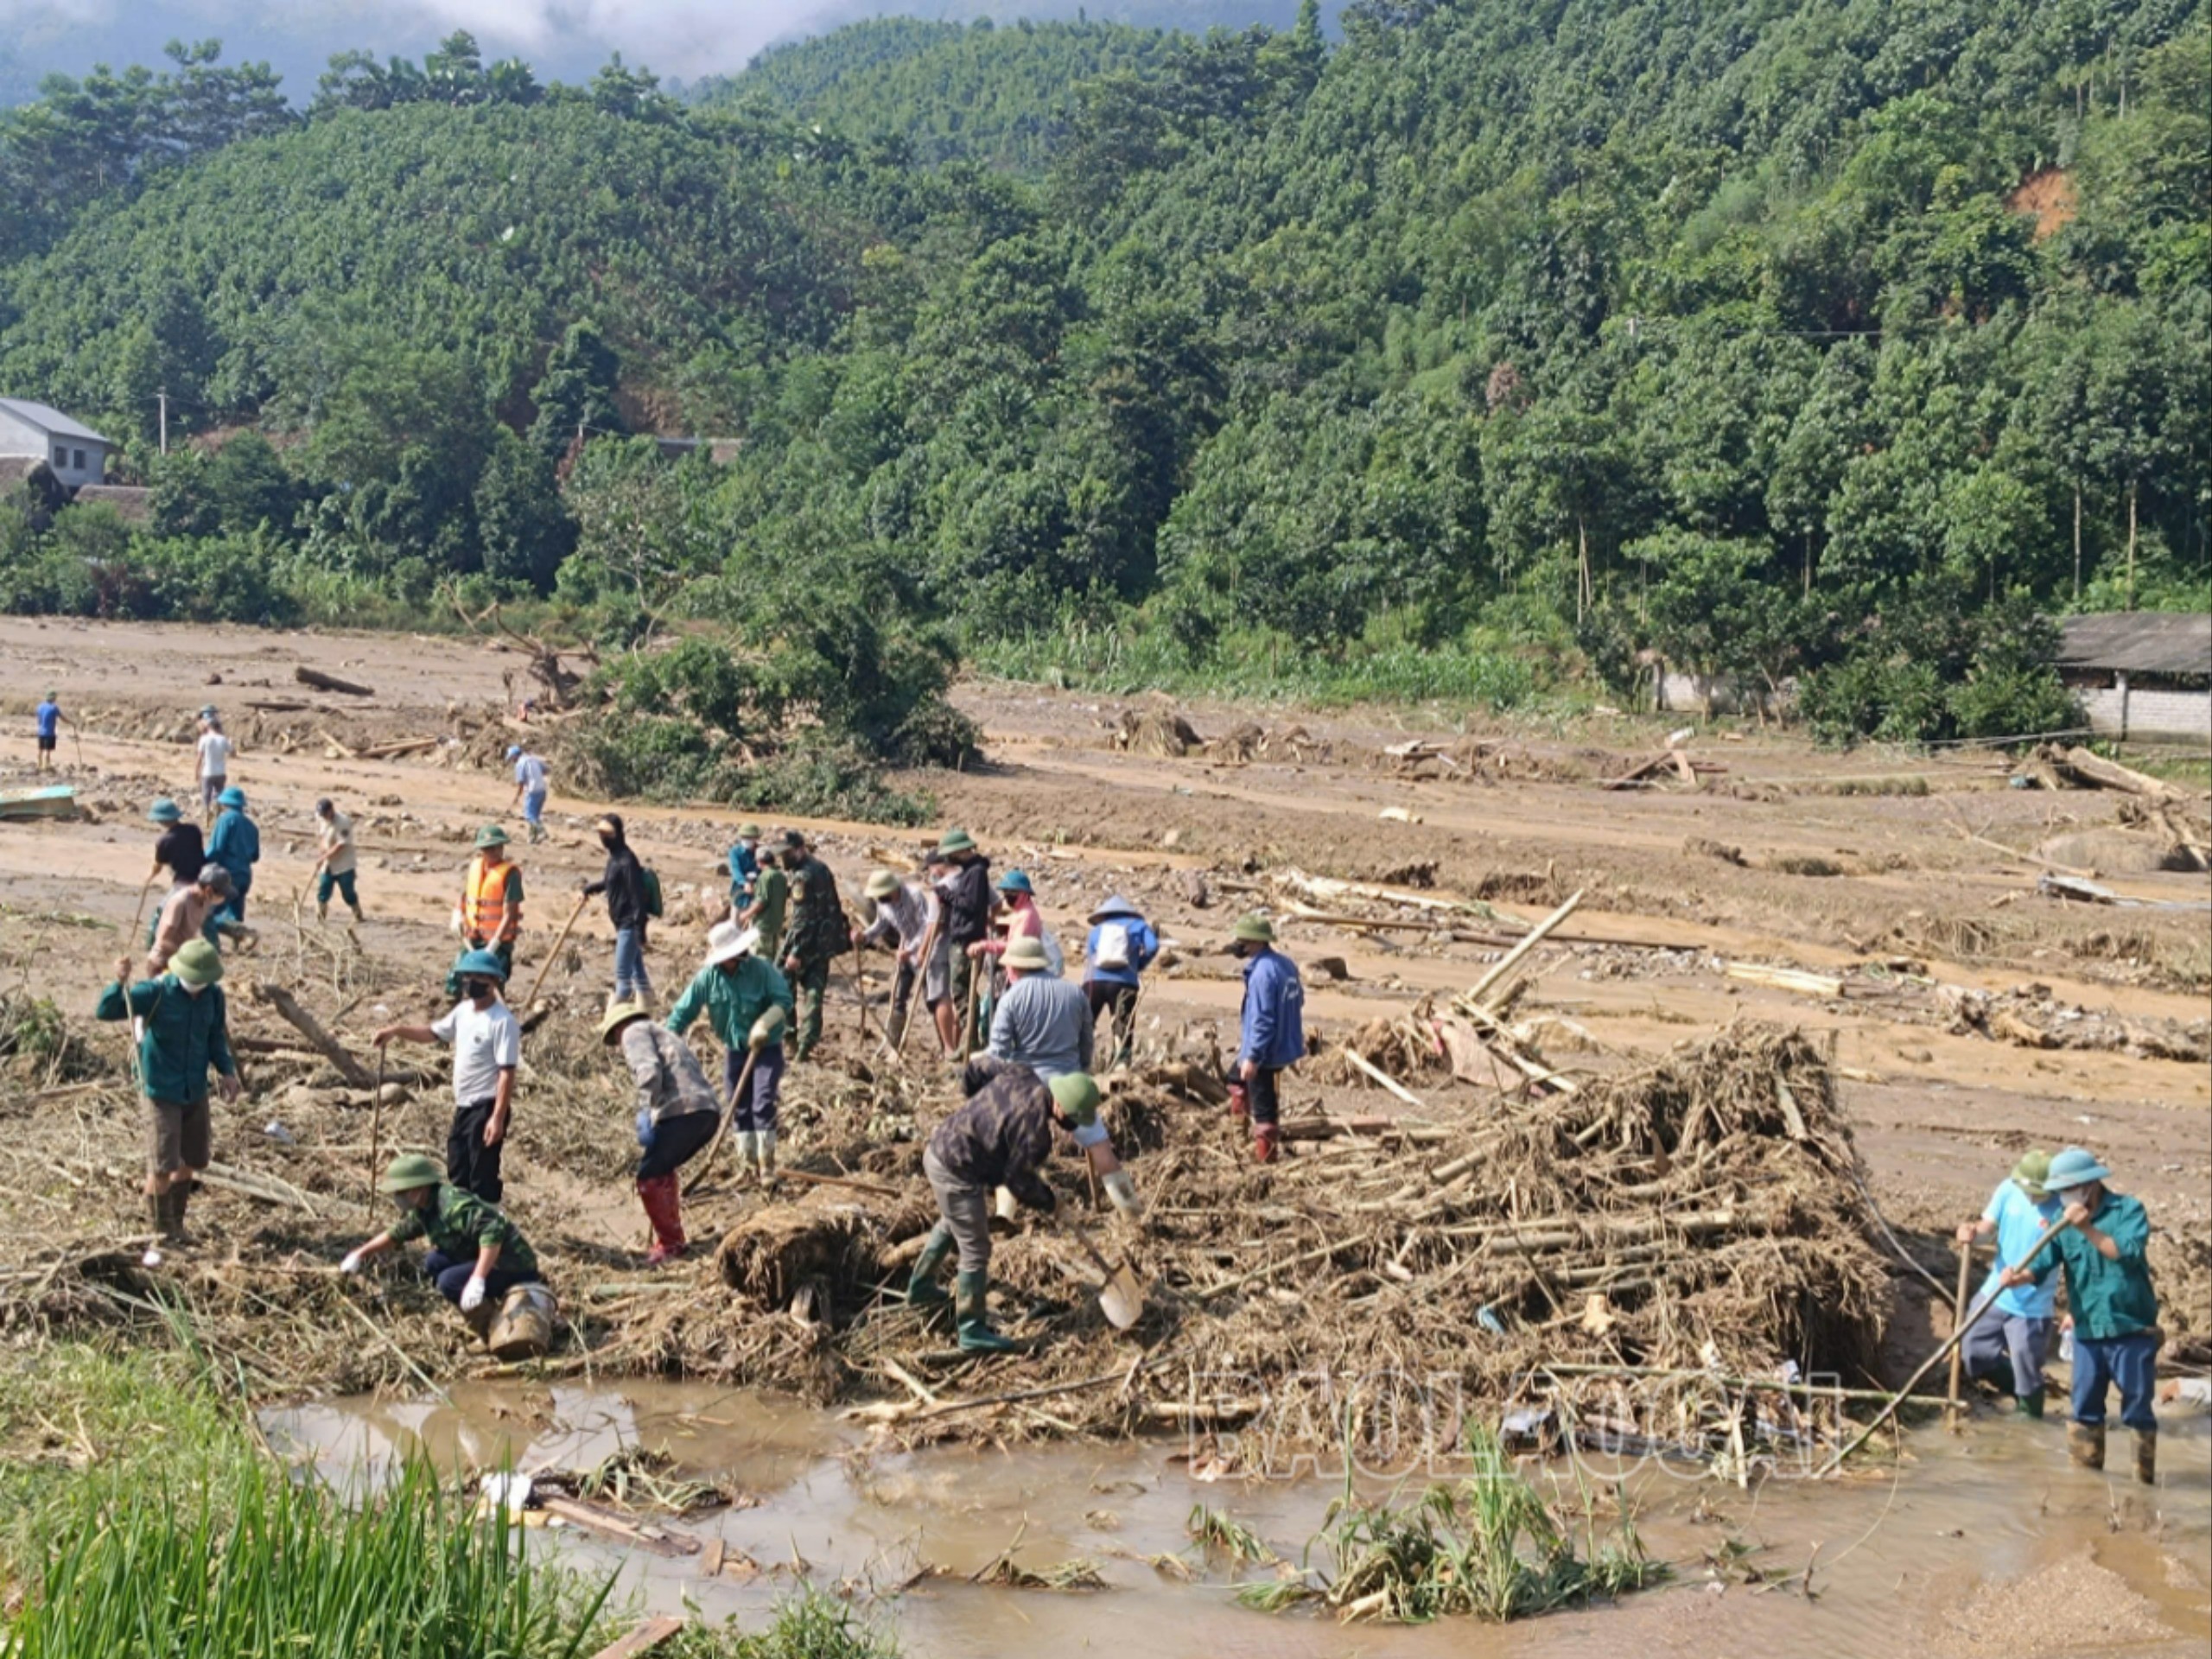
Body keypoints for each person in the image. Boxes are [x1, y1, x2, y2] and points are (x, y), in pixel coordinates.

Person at [908, 1061, 1101, 1351]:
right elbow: (1017, 1180)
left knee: (953, 1222)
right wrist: (1051, 1202)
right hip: (957, 1168)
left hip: (941, 1146)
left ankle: (920, 1289)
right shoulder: (1036, 1133)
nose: (1071, 1127)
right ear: (1060, 1106)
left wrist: (976, 1113)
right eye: (1073, 1119)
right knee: (976, 1248)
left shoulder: (1021, 1073)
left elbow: (973, 1072)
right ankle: (971, 1330)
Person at [2000, 1146, 2162, 1484]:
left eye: (2066, 1189)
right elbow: (2043, 1264)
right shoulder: (2063, 1224)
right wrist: (2019, 1276)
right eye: (2058, 1191)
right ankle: (2085, 1487)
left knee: (2137, 1409)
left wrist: (2088, 1227)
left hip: (2131, 1327)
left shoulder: (2128, 1210)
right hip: (2089, 1331)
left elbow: (2126, 1253)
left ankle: (2142, 1484)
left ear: (2089, 1186)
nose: (2061, 1197)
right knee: (2084, 1408)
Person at [96, 938, 238, 1248]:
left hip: (194, 1089)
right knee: (162, 1165)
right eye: (193, 981)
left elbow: (215, 1037)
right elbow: (106, 1011)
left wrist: (227, 1072)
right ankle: (160, 1233)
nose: (197, 986)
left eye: (203, 982)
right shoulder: (156, 991)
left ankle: (176, 1226)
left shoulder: (213, 997)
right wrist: (118, 981)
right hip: (160, 1089)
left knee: (192, 1159)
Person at [374, 949, 521, 1205]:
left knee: (482, 1176)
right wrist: (396, 1031)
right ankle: (465, 1225)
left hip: (485, 1106)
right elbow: (432, 1033)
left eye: (478, 977)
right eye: (467, 976)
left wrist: (497, 1117)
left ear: (494, 982)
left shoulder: (502, 1021)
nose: (470, 983)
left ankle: (490, 1230)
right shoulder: (463, 1011)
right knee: (458, 1170)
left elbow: (506, 1073)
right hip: (463, 1105)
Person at [341, 1154, 543, 1337]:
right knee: (433, 1262)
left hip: (512, 1264)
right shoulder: (424, 1208)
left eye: (402, 1192)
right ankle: (485, 1309)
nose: (398, 1198)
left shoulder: (451, 1205)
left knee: (449, 1282)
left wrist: (477, 1279)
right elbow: (397, 1234)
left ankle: (492, 1329)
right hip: (481, 1255)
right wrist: (360, 1254)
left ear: (420, 1188)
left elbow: (492, 1232)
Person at [667, 921, 792, 1182]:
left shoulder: (761, 970)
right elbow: (683, 1011)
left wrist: (764, 1023)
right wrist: (667, 1039)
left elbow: (784, 999)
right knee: (738, 1103)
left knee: (762, 1101)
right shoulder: (708, 978)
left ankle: (766, 1164)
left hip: (766, 1048)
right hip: (736, 1049)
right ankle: (747, 1163)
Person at [601, 1001, 721, 1262]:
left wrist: (645, 1109)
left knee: (649, 1175)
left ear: (618, 1028)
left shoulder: (633, 1032)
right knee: (661, 1168)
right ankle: (671, 1238)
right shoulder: (661, 1032)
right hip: (705, 1110)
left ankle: (671, 1243)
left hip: (682, 1110)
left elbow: (649, 1071)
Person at [1955, 1150, 2062, 1417]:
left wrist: (2023, 1278)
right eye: (2027, 1190)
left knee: (2027, 1365)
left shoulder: (2062, 1209)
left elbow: (2057, 1258)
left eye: (2037, 1192)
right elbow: (1987, 1228)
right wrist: (1971, 1234)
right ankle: (2017, 1388)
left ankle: (2031, 1416)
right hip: (1995, 1291)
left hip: (2032, 1305)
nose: (2031, 1197)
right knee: (1972, 1351)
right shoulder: (2007, 1190)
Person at [1230, 913, 1305, 1164]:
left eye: (1242, 939)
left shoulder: (1262, 973)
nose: (1238, 944)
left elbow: (1263, 1020)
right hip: (1287, 1043)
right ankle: (1239, 1137)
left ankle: (1266, 1164)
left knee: (1264, 1109)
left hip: (1267, 1051)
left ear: (1255, 941)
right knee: (1234, 1079)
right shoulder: (1286, 964)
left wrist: (1253, 1057)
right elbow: (1299, 1001)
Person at [777, 830, 847, 1063]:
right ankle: (806, 1046)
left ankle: (791, 1041)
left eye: (786, 853)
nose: (782, 858)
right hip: (823, 943)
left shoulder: (802, 877)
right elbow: (833, 906)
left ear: (799, 850)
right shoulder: (821, 868)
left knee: (784, 987)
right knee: (814, 994)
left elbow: (802, 918)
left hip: (805, 945)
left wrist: (795, 951)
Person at [986, 935, 1093, 1081]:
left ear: (1014, 967)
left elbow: (998, 1051)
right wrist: (1084, 1068)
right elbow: (1086, 1041)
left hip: (1026, 1082)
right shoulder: (1075, 992)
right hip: (1068, 1079)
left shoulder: (1011, 998)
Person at [855, 869, 942, 1048]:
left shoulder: (915, 896)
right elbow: (881, 924)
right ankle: (893, 1042)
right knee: (898, 999)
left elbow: (926, 927)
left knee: (932, 999)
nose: (879, 898)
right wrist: (864, 937)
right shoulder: (883, 905)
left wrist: (911, 950)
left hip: (925, 953)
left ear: (892, 889)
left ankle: (944, 1044)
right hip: (905, 955)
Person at [582, 812, 652, 1007]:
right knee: (638, 974)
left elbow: (636, 896)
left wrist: (640, 929)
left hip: (629, 925)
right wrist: (591, 889)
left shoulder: (627, 860)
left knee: (623, 981)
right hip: (622, 923)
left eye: (608, 834)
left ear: (618, 834)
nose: (604, 839)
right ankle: (646, 1011)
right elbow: (609, 883)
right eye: (601, 834)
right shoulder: (615, 859)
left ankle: (610, 1022)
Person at [1083, 895, 1158, 1071]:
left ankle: (1081, 1064)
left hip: (1094, 982)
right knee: (1122, 1029)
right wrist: (1140, 964)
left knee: (1085, 1025)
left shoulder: (1097, 930)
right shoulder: (1137, 926)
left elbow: (1091, 955)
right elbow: (1153, 946)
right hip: (1124, 982)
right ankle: (1120, 1067)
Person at [935, 829, 994, 1052]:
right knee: (960, 989)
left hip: (968, 938)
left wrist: (945, 894)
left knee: (961, 990)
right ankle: (970, 1038)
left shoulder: (977, 872)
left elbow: (971, 904)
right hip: (962, 935)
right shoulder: (970, 871)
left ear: (960, 852)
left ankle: (971, 1039)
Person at [452, 824, 524, 995]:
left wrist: (495, 943)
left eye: (498, 847)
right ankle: (455, 1013)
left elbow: (510, 913)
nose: (494, 852)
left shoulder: (510, 874)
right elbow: (465, 895)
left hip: (497, 942)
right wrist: (456, 914)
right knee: (456, 979)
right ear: (481, 850)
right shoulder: (475, 868)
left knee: (491, 983)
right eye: (489, 848)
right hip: (472, 938)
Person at [147, 866, 230, 976]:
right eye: (220, 894)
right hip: (163, 963)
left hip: (183, 963)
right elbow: (164, 941)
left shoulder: (205, 901)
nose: (222, 898)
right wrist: (189, 954)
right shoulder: (180, 902)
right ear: (208, 890)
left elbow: (194, 929)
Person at [205, 785, 260, 945]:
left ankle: (240, 936)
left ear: (224, 804)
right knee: (236, 912)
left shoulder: (225, 820)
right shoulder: (252, 827)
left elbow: (216, 849)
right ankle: (241, 945)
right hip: (245, 875)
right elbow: (255, 856)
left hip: (226, 876)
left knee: (207, 915)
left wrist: (200, 864)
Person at [311, 798, 365, 925]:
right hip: (328, 865)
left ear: (331, 810)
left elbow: (340, 845)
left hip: (344, 865)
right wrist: (321, 852)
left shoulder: (343, 822)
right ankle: (320, 919)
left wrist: (324, 857)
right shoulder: (322, 820)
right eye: (321, 814)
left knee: (348, 893)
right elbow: (322, 836)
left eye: (325, 813)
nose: (323, 816)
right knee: (323, 890)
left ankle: (358, 915)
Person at [741, 835, 790, 965]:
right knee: (772, 959)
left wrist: (745, 915)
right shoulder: (781, 877)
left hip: (763, 926)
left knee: (759, 959)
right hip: (776, 924)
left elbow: (761, 902)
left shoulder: (765, 877)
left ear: (759, 861)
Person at [146, 796, 205, 887]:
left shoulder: (164, 841)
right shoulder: (194, 830)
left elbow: (158, 866)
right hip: (202, 877)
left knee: (167, 902)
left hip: (183, 881)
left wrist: (150, 877)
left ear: (161, 821)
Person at [506, 746, 550, 843]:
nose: (511, 761)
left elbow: (520, 783)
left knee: (529, 815)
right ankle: (532, 838)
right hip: (542, 790)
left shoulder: (520, 764)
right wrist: (537, 774)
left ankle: (542, 832)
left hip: (532, 790)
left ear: (514, 756)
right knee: (535, 816)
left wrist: (517, 797)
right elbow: (547, 770)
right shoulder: (533, 759)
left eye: (511, 758)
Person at [194, 714, 232, 816]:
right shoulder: (223, 739)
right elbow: (232, 752)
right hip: (221, 772)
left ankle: (207, 818)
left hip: (208, 772)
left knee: (206, 796)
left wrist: (196, 772)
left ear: (209, 727)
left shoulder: (204, 739)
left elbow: (199, 757)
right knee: (220, 795)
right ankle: (218, 815)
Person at [726, 822, 764, 916]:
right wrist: (745, 883)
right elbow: (736, 870)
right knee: (735, 921)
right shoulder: (735, 852)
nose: (747, 840)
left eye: (750, 838)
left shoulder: (761, 851)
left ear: (756, 838)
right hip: (739, 891)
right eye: (744, 837)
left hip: (757, 892)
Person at [33, 690, 68, 771]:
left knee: (40, 749)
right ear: (53, 698)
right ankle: (46, 765)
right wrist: (71, 723)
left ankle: (39, 764)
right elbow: (62, 718)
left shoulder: (40, 707)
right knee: (48, 751)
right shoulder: (54, 708)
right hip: (50, 732)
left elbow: (39, 719)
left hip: (41, 731)